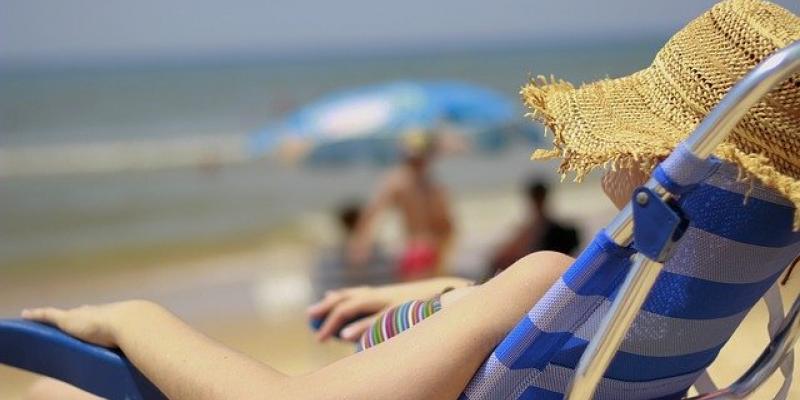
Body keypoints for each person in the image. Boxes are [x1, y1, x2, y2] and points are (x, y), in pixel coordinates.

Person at [19, 1, 800, 398]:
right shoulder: (716, 287)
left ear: (669, 157)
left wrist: (130, 317)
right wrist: (449, 299)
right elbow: (556, 333)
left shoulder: (545, 276)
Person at [348, 131, 454, 281]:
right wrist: (361, 243)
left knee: (426, 297)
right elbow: (374, 213)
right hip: (419, 248)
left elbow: (446, 223)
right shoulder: (404, 181)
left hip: (428, 248)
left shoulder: (427, 184)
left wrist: (361, 242)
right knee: (425, 296)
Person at [487, 179, 580, 277]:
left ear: (531, 199)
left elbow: (499, 260)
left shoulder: (532, 229)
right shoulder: (556, 229)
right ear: (545, 196)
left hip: (534, 272)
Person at [311, 202, 392, 300]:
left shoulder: (327, 257)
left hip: (338, 306)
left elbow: (320, 292)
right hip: (373, 305)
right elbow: (388, 287)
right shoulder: (381, 254)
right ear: (365, 222)